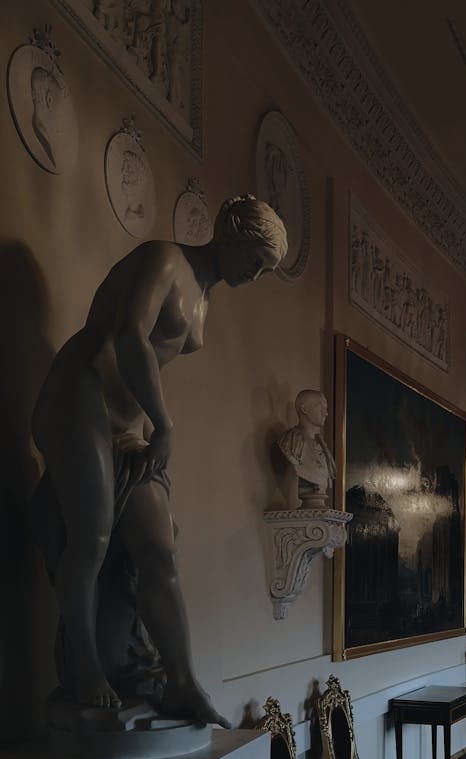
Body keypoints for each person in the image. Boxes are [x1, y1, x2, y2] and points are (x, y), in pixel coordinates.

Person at [31, 194, 288, 724]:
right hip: (81, 394)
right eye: (256, 260)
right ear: (231, 230)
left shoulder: (205, 299)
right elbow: (130, 335)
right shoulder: (164, 259)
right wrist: (165, 424)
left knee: (158, 548)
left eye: (265, 270)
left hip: (128, 423)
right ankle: (86, 666)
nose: (255, 276)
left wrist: (149, 423)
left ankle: (181, 681)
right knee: (93, 537)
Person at [278, 390, 336, 508]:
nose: (326, 413)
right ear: (304, 409)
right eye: (321, 406)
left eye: (326, 407)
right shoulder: (291, 441)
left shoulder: (323, 446)